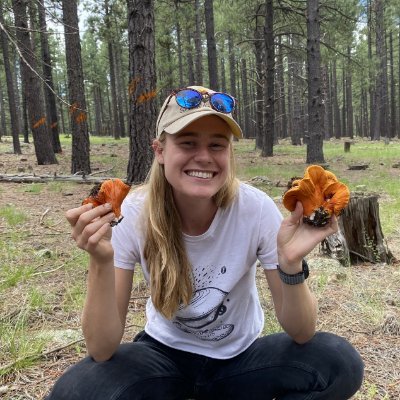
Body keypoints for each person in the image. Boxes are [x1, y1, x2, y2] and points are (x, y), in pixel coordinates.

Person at [46, 86, 364, 400]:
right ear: (160, 150)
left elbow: (302, 332)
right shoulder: (132, 212)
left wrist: (291, 263)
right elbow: (102, 349)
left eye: (217, 145)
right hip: (163, 358)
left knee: (337, 362)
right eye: (187, 143)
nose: (204, 157)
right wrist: (100, 260)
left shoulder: (255, 209)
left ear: (229, 153)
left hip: (241, 360)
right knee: (76, 391)